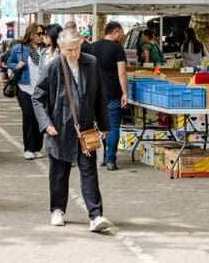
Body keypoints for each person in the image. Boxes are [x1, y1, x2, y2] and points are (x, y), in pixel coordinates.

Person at [32, 27, 112, 233]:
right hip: (59, 129)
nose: (74, 53)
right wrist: (46, 123)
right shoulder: (53, 67)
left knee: (89, 171)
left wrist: (104, 125)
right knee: (59, 173)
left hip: (86, 129)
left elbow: (100, 96)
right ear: (61, 48)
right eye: (69, 50)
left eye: (77, 49)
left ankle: (96, 215)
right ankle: (57, 209)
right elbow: (37, 97)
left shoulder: (91, 63)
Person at [91, 21, 128, 171]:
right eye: (121, 33)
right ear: (115, 32)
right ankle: (110, 160)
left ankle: (100, 156)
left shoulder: (92, 47)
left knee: (99, 126)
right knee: (113, 126)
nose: (122, 36)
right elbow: (122, 72)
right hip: (113, 92)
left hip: (95, 93)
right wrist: (125, 92)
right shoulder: (117, 48)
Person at [8, 22, 46, 159]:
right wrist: (17, 66)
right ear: (31, 34)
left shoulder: (45, 50)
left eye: (43, 34)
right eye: (39, 33)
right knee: (28, 116)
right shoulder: (20, 48)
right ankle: (28, 148)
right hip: (24, 87)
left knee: (40, 117)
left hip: (41, 89)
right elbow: (9, 62)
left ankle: (37, 148)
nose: (41, 36)